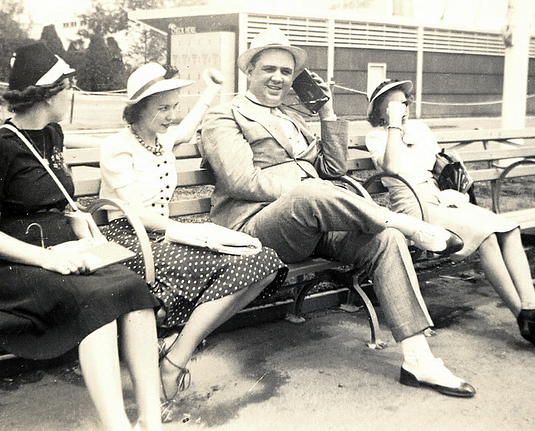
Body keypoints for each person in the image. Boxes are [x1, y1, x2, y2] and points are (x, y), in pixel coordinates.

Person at [200, 26, 476, 398]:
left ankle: (418, 359)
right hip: (255, 227)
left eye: (286, 71)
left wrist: (327, 111)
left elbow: (333, 168)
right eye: (268, 69)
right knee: (314, 192)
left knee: (385, 238)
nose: (279, 78)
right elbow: (241, 182)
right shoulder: (225, 115)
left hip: (313, 219)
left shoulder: (292, 117)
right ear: (249, 71)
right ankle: (407, 222)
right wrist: (305, 190)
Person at [0, 43, 162, 431]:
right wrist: (46, 259)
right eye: (68, 87)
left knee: (133, 289)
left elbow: (52, 198)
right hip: (17, 267)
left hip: (66, 253)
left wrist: (76, 220)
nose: (71, 95)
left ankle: (151, 423)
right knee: (96, 303)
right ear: (49, 93)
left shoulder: (52, 135)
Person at [99, 62, 288, 412]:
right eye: (163, 108)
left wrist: (211, 89)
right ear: (138, 109)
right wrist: (183, 231)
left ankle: (174, 353)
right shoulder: (117, 147)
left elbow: (188, 126)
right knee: (236, 261)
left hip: (165, 239)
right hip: (128, 240)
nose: (172, 115)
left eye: (174, 106)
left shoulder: (160, 139)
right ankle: (173, 362)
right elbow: (129, 209)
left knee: (264, 262)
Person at [365, 78, 535, 347]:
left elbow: (436, 166)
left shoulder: (420, 129)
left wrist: (451, 164)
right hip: (414, 208)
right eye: (395, 104)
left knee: (509, 228)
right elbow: (393, 167)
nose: (404, 108)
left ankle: (530, 308)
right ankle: (522, 318)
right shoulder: (376, 137)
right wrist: (394, 125)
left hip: (441, 199)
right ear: (380, 111)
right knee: (487, 236)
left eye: (405, 102)